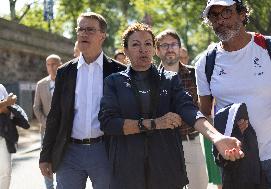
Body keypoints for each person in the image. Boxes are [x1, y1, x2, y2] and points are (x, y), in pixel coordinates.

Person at [99, 22, 244, 189]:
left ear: (154, 49)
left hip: (165, 168)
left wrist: (217, 137)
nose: (143, 49)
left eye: (148, 44)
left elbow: (189, 109)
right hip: (127, 169)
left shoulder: (169, 79)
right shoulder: (113, 82)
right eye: (135, 44)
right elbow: (108, 123)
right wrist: (154, 123)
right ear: (125, 51)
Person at [196, 0, 271, 188]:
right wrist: (226, 131)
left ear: (242, 14)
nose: (220, 20)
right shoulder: (205, 63)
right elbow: (205, 113)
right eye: (214, 15)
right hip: (237, 161)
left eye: (226, 12)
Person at [39, 12, 126, 189]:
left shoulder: (118, 71)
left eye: (90, 30)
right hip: (69, 152)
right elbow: (55, 115)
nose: (83, 33)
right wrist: (45, 155)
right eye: (80, 29)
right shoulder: (65, 72)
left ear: (103, 36)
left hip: (105, 150)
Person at [155, 29, 208, 189]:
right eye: (164, 45)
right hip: (164, 145)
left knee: (199, 185)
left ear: (179, 47)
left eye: (173, 44)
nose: (170, 49)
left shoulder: (194, 74)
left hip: (192, 141)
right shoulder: (151, 78)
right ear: (157, 51)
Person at [33, 54, 62, 189]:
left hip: (64, 130)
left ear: (60, 64)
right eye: (49, 64)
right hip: (46, 130)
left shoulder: (66, 82)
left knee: (63, 159)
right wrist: (48, 124)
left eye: (55, 63)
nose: (52, 67)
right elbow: (36, 108)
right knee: (46, 161)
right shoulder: (41, 84)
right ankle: (49, 187)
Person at [0, 85, 17, 189]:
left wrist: (6, 105)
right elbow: (7, 105)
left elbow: (9, 109)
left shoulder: (1, 87)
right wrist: (6, 103)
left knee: (6, 171)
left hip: (3, 134)